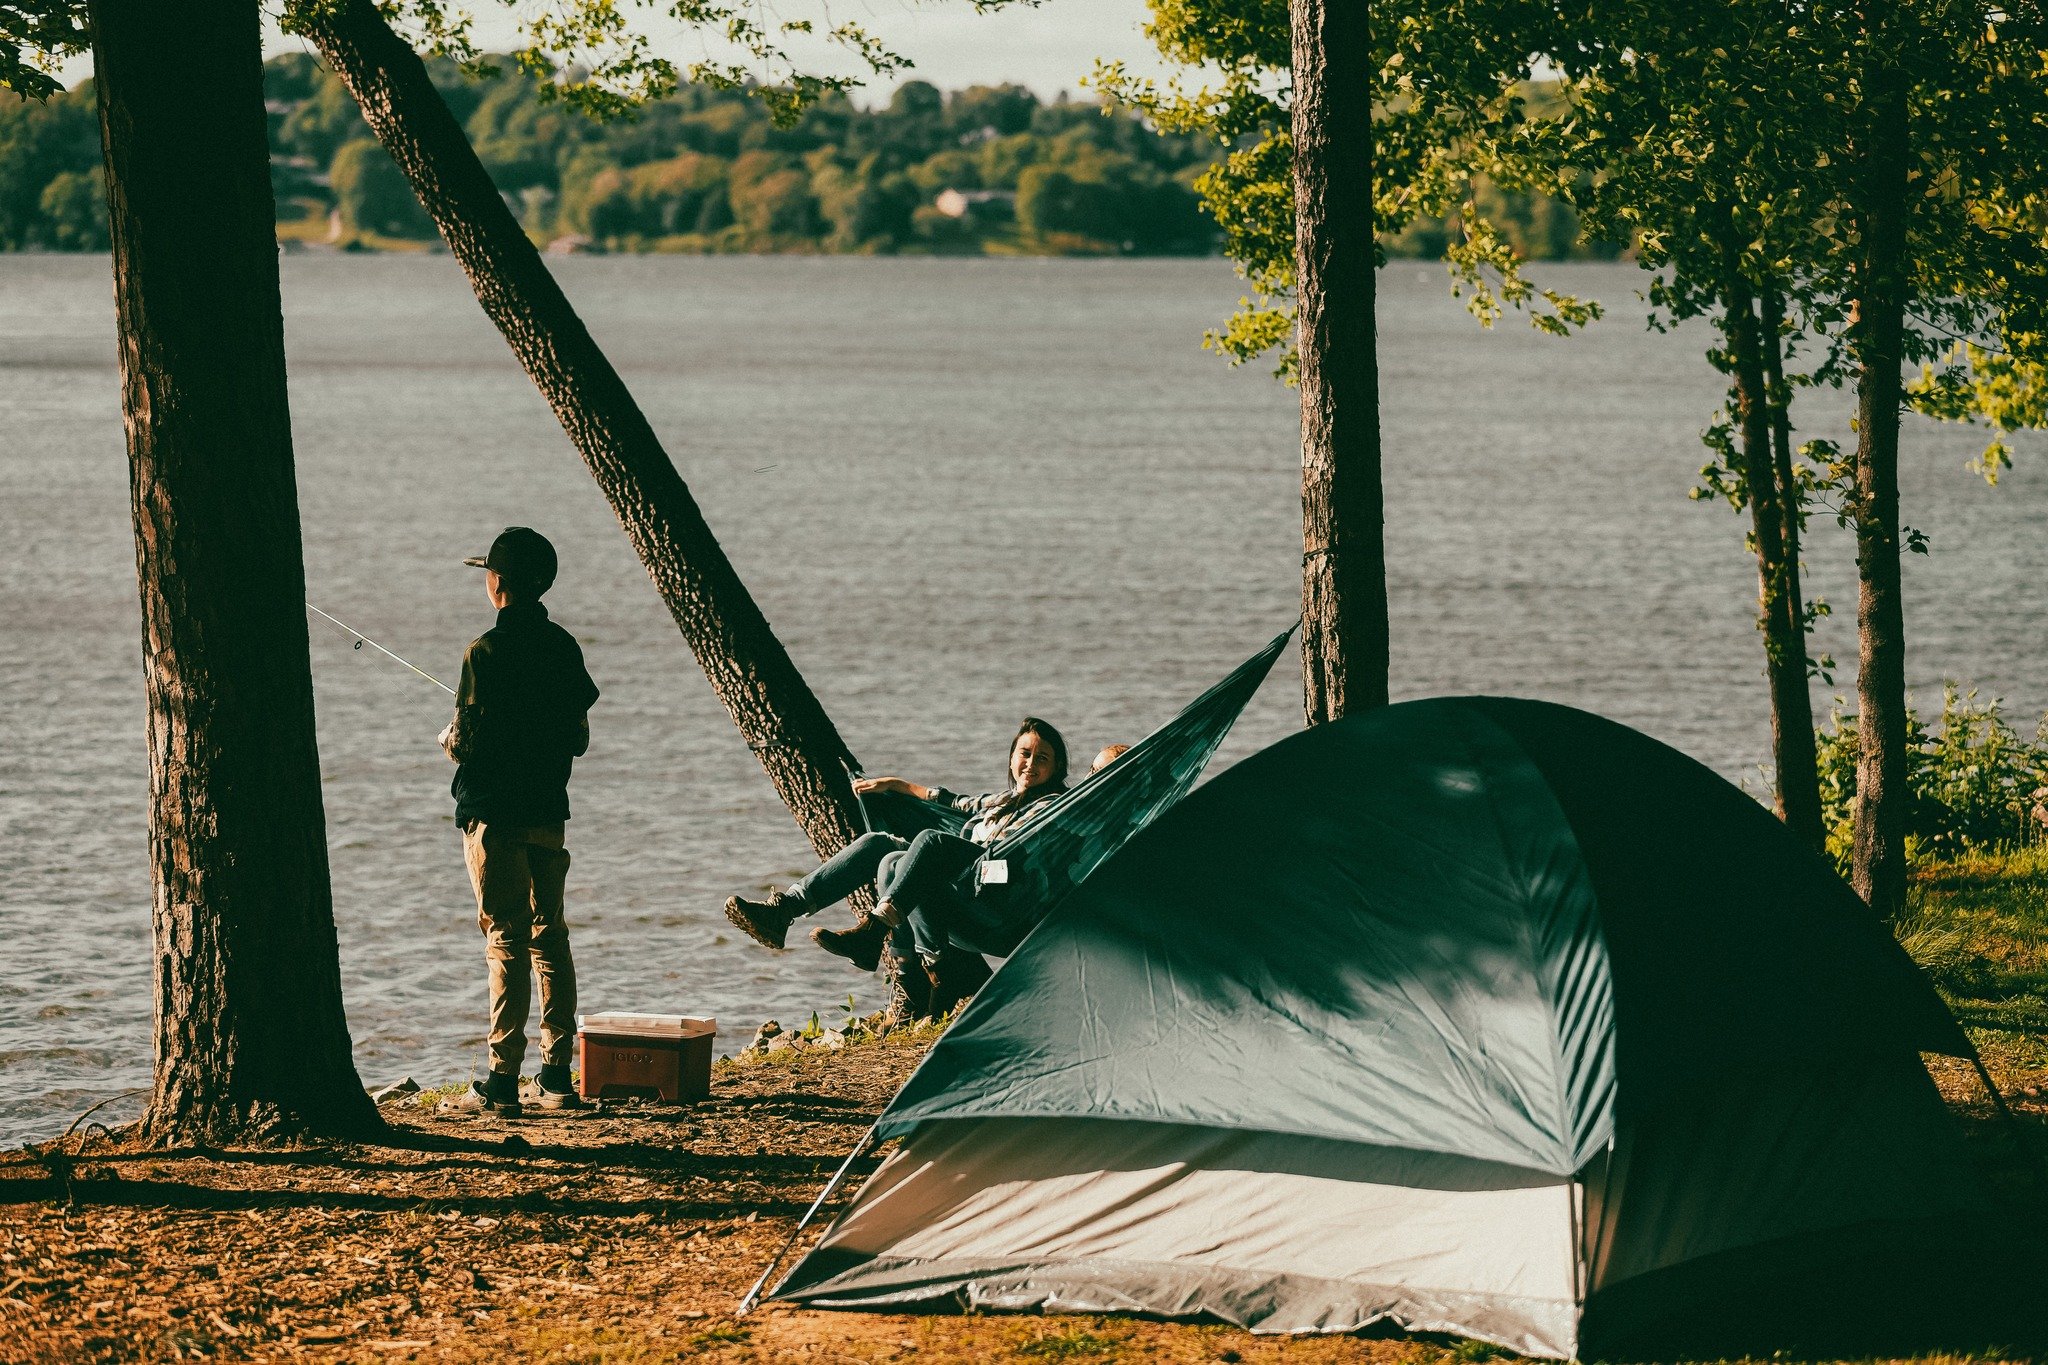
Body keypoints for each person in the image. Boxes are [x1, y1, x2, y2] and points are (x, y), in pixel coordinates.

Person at [723, 718, 1071, 1011]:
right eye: (1024, 753)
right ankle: (784, 912)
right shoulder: (1000, 801)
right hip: (960, 896)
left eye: (1043, 758)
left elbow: (1031, 859)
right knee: (886, 854)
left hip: (997, 907)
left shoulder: (1057, 807)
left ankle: (874, 931)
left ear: (1056, 769)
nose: (1031, 763)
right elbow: (952, 801)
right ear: (1012, 758)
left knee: (930, 841)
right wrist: (896, 785)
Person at [440, 527, 600, 1118]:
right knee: (550, 938)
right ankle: (557, 1077)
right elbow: (578, 739)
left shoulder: (482, 653)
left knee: (505, 937)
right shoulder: (564, 648)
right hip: (546, 812)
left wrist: (450, 741)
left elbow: (471, 744)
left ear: (499, 582)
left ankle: (502, 1081)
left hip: (493, 815)